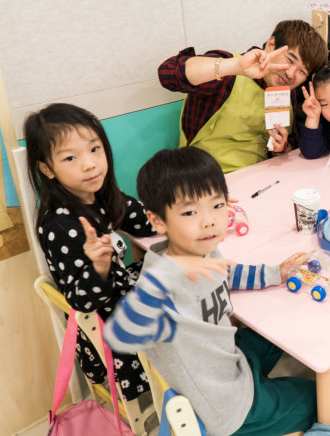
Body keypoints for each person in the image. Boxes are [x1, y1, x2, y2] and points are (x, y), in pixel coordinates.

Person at [103, 147, 316, 436]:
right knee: (313, 397)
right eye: (190, 212)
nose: (209, 221)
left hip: (227, 359)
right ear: (158, 220)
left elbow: (224, 272)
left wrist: (275, 273)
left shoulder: (200, 246)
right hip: (222, 406)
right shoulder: (162, 284)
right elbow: (123, 333)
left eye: (217, 205)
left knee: (276, 329)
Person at [24, 103, 156, 401]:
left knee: (183, 266)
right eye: (70, 158)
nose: (89, 164)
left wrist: (195, 209)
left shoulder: (99, 194)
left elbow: (145, 221)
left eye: (95, 149)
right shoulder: (59, 225)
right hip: (109, 330)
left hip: (122, 296)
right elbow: (83, 301)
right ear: (47, 169)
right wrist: (98, 266)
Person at [158, 20, 327, 174]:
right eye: (289, 60)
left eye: (302, 71)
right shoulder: (228, 73)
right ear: (271, 45)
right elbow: (167, 74)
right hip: (200, 177)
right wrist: (235, 66)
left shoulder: (288, 93)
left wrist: (282, 147)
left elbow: (289, 144)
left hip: (257, 178)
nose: (291, 74)